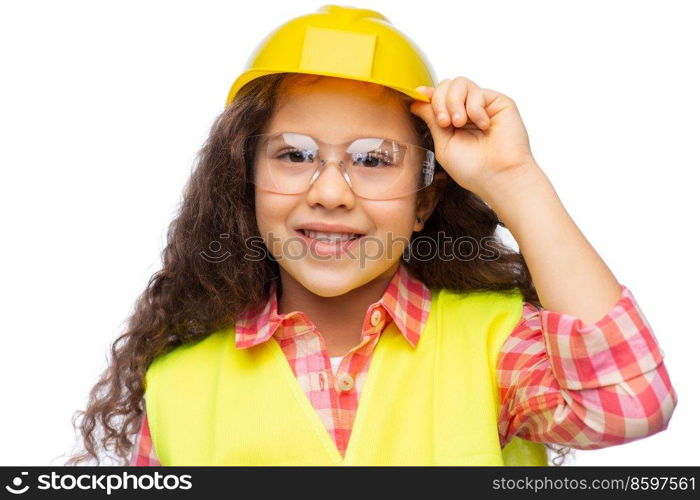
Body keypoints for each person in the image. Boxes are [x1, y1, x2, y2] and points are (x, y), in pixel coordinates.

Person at [67, 5, 677, 466]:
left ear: (424, 199)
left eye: (374, 159)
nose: (330, 192)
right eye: (295, 155)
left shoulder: (496, 347)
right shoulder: (179, 387)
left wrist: (513, 179)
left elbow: (631, 404)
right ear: (245, 183)